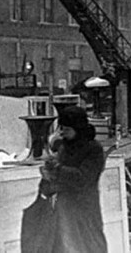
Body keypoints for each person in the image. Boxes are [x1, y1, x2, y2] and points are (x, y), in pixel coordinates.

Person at [39, 105, 108, 253]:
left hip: (85, 209)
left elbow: (83, 178)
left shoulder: (93, 149)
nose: (62, 133)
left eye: (67, 129)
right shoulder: (64, 147)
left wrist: (57, 169)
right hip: (64, 210)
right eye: (61, 128)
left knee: (90, 245)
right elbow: (54, 182)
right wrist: (47, 180)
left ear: (78, 128)